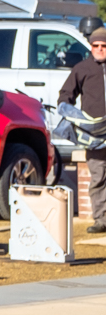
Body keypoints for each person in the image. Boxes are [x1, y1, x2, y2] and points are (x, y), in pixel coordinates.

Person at [58, 26, 106, 233]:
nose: (100, 49)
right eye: (96, 45)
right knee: (98, 177)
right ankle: (101, 220)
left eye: (104, 46)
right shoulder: (82, 69)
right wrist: (70, 114)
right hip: (94, 135)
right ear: (91, 46)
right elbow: (65, 95)